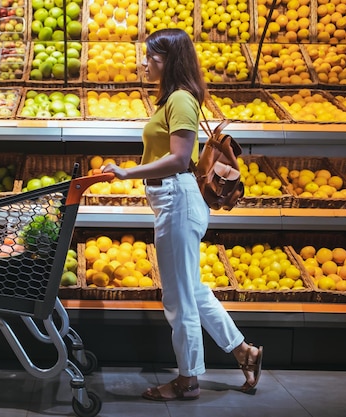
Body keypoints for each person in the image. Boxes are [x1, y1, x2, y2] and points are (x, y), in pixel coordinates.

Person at [102, 28, 263, 401]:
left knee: (178, 299)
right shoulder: (170, 99)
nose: (145, 64)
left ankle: (188, 379)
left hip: (177, 200)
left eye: (152, 58)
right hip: (172, 200)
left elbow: (178, 159)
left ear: (170, 60)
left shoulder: (181, 100)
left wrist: (128, 172)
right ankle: (244, 351)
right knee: (192, 290)